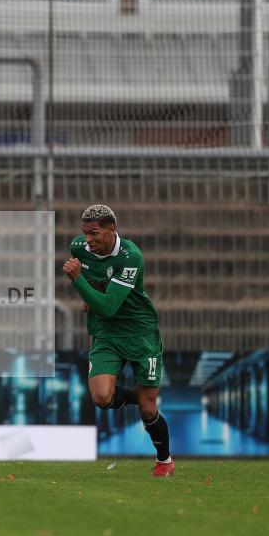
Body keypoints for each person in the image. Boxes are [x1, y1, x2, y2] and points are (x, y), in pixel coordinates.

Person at [62, 204, 174, 477]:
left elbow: (110, 305)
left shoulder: (130, 256)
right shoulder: (79, 247)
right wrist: (89, 293)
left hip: (140, 333)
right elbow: (94, 280)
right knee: (101, 397)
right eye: (85, 233)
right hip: (107, 333)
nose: (88, 239)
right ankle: (143, 397)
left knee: (149, 412)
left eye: (94, 233)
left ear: (112, 229)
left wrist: (79, 282)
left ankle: (164, 460)